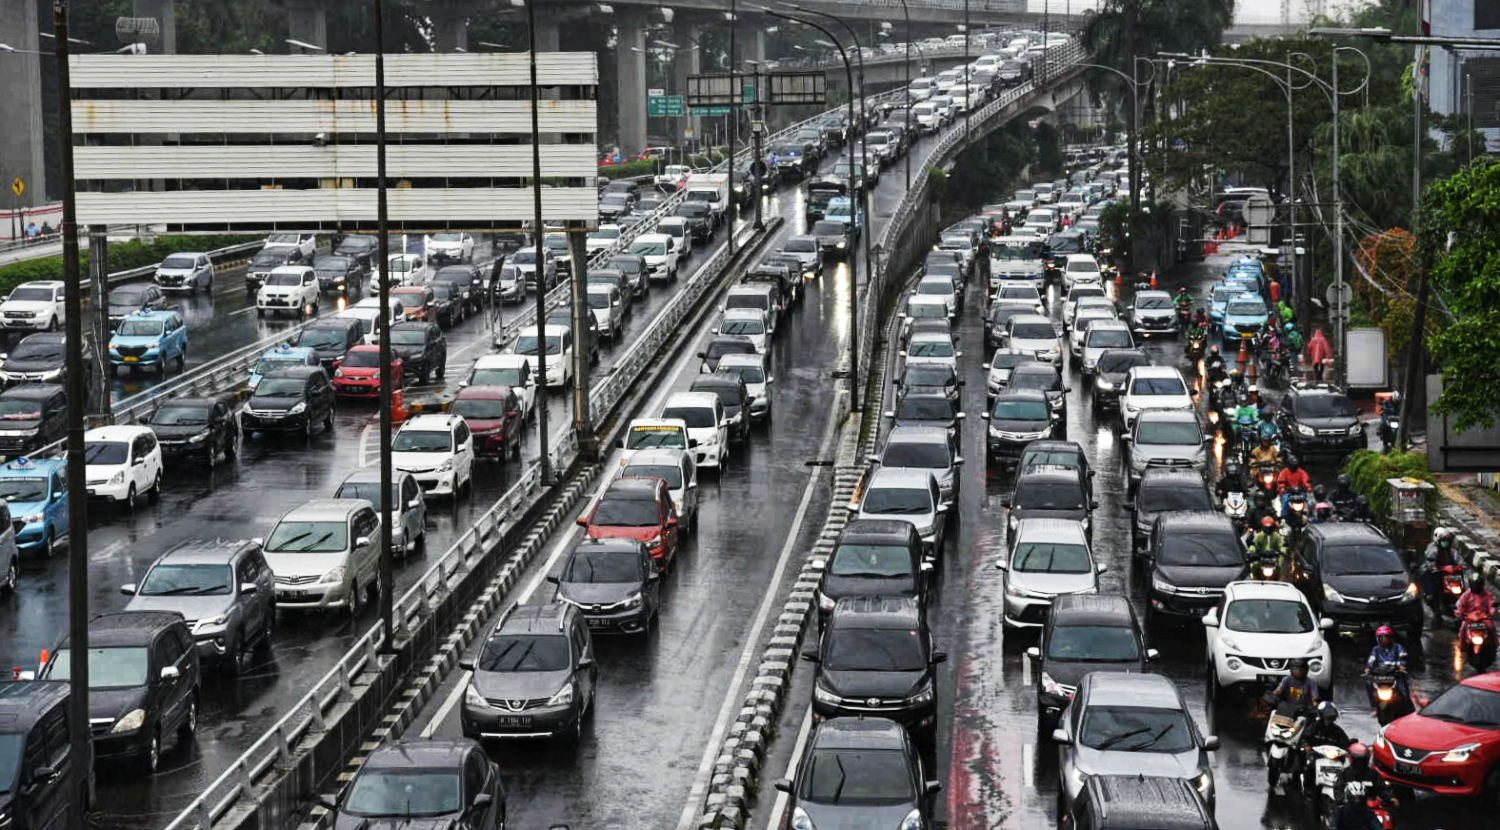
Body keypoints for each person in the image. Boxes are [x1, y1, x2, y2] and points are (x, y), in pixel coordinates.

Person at [1363, 625, 1411, 705]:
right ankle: (1374, 704)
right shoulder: (1376, 649)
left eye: (1386, 637)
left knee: (1402, 686)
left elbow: (1403, 658)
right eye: (1381, 638)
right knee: (1369, 683)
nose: (1384, 640)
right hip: (1381, 675)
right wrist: (1368, 668)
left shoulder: (1398, 647)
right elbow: (1371, 660)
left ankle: (1407, 704)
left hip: (1395, 673)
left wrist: (1401, 666)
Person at [1421, 526, 1463, 604]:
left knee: (1461, 575)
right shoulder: (1432, 548)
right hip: (1438, 572)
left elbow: (1459, 559)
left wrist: (1461, 566)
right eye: (1443, 541)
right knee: (1426, 574)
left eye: (1446, 540)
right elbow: (1429, 559)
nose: (1445, 543)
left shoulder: (1451, 550)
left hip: (1451, 573)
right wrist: (1435, 568)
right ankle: (1429, 593)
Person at [1456, 574, 1494, 642]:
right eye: (1475, 585)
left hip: (1483, 618)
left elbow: (1491, 604)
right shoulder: (1466, 595)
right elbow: (1460, 605)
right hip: (1470, 618)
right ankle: (1463, 645)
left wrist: (1491, 612)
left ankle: (1494, 645)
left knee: (1491, 627)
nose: (1476, 587)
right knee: (1463, 628)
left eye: (1478, 585)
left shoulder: (1487, 594)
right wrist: (1460, 613)